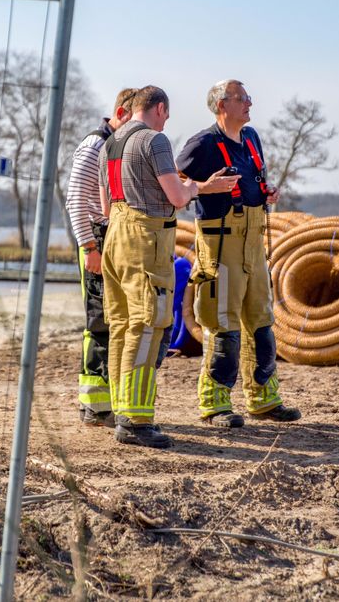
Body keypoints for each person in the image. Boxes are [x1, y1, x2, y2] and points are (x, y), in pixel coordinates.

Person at [98, 85, 238, 448]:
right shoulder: (154, 141)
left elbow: (104, 206)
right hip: (147, 239)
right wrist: (197, 189)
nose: (167, 121)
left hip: (115, 236)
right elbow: (176, 197)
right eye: (167, 114)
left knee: (120, 324)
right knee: (149, 324)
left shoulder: (111, 142)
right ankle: (136, 419)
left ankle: (119, 407)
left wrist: (192, 186)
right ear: (159, 109)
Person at [176, 80, 302, 428]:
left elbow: (252, 180)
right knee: (223, 324)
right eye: (242, 98)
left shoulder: (251, 139)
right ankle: (214, 404)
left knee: (261, 322)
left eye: (248, 97)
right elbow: (172, 185)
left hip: (253, 241)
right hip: (220, 245)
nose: (250, 102)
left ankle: (263, 399)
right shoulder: (202, 144)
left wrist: (266, 192)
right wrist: (204, 187)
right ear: (222, 105)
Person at [65, 88, 137, 427]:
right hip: (95, 240)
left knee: (113, 320)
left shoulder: (114, 145)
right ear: (122, 114)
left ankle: (104, 401)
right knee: (99, 322)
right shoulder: (94, 145)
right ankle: (94, 405)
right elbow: (76, 202)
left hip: (110, 240)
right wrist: (90, 248)